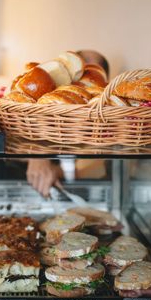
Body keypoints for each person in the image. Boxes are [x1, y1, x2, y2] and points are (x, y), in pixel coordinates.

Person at [26, 50, 110, 198]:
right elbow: (14, 138)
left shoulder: (112, 120)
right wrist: (37, 156)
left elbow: (98, 168)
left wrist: (60, 171)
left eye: (92, 74)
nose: (86, 82)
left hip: (93, 196)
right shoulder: (50, 112)